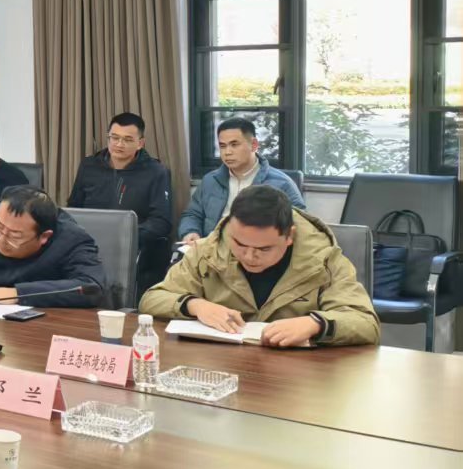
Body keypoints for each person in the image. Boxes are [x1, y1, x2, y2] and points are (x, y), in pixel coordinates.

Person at [142, 186, 379, 347]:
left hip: (298, 378)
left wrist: (315, 324)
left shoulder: (323, 260)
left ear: (289, 236)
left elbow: (365, 323)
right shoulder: (208, 250)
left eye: (263, 249)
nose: (249, 256)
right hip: (222, 367)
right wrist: (195, 305)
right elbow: (152, 299)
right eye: (239, 243)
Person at [66, 112, 174, 291]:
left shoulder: (156, 172)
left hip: (133, 247)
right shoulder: (89, 165)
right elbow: (74, 209)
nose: (119, 144)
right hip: (89, 244)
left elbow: (161, 222)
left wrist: (125, 235)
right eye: (114, 138)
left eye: (127, 139)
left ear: (140, 143)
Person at [176, 117, 306, 245]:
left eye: (234, 145)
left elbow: (299, 224)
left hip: (254, 250)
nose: (227, 152)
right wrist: (190, 231)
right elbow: (193, 214)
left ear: (254, 145)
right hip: (211, 248)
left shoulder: (281, 183)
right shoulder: (210, 180)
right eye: (222, 146)